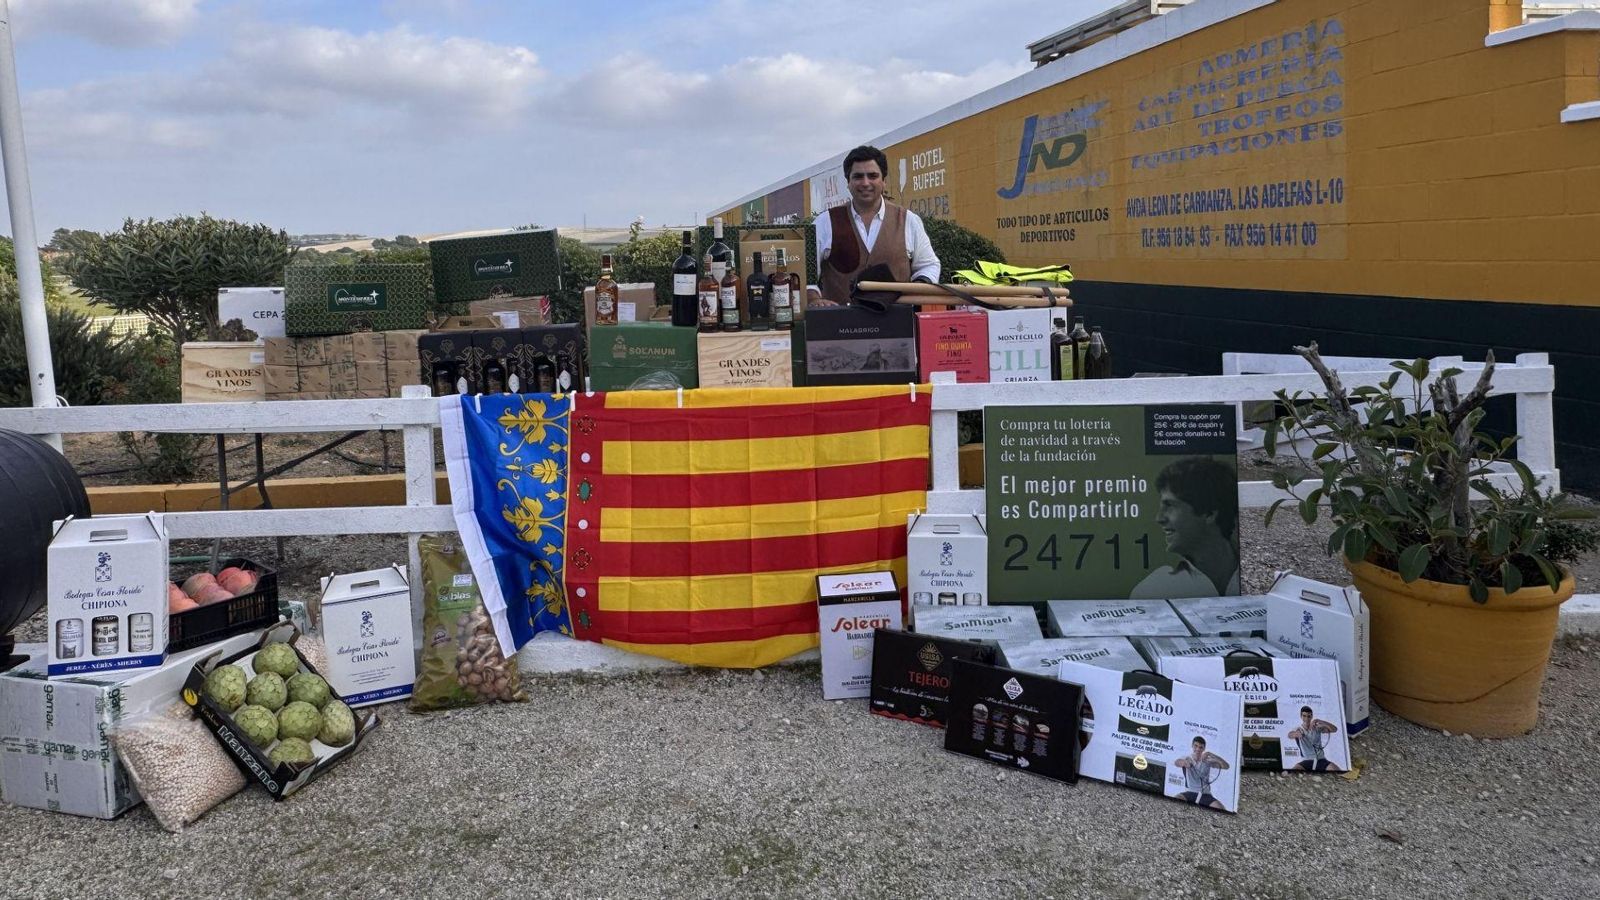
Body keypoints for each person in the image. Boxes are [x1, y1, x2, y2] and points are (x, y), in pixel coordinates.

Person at [808, 145, 940, 307]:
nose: (865, 183)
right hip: (841, 325)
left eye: (872, 176)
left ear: (883, 181)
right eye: (858, 176)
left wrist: (918, 286)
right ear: (848, 182)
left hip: (898, 323)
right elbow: (806, 273)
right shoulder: (825, 222)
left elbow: (929, 265)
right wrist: (814, 298)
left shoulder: (909, 220)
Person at [1129, 456, 1241, 599]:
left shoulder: (1256, 574)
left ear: (1208, 513)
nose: (1159, 518)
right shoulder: (1153, 589)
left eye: (1169, 506)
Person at [1173, 736, 1230, 809]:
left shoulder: (1208, 761)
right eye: (1195, 746)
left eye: (1201, 747)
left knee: (1221, 808)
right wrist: (1185, 763)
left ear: (1204, 749)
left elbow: (1226, 766)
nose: (1198, 749)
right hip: (1190, 793)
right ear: (1192, 746)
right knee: (1176, 799)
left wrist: (1211, 754)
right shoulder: (1186, 757)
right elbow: (1177, 762)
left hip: (1205, 795)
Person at [1287, 705, 1342, 772]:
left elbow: (1334, 729)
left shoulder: (1317, 728)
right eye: (1304, 716)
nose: (1306, 718)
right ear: (1301, 716)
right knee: (1292, 772)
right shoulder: (1298, 729)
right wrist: (1297, 734)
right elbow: (1290, 735)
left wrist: (1319, 720)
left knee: (1337, 771)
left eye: (1309, 716)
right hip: (1306, 761)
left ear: (1311, 717)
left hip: (1321, 760)